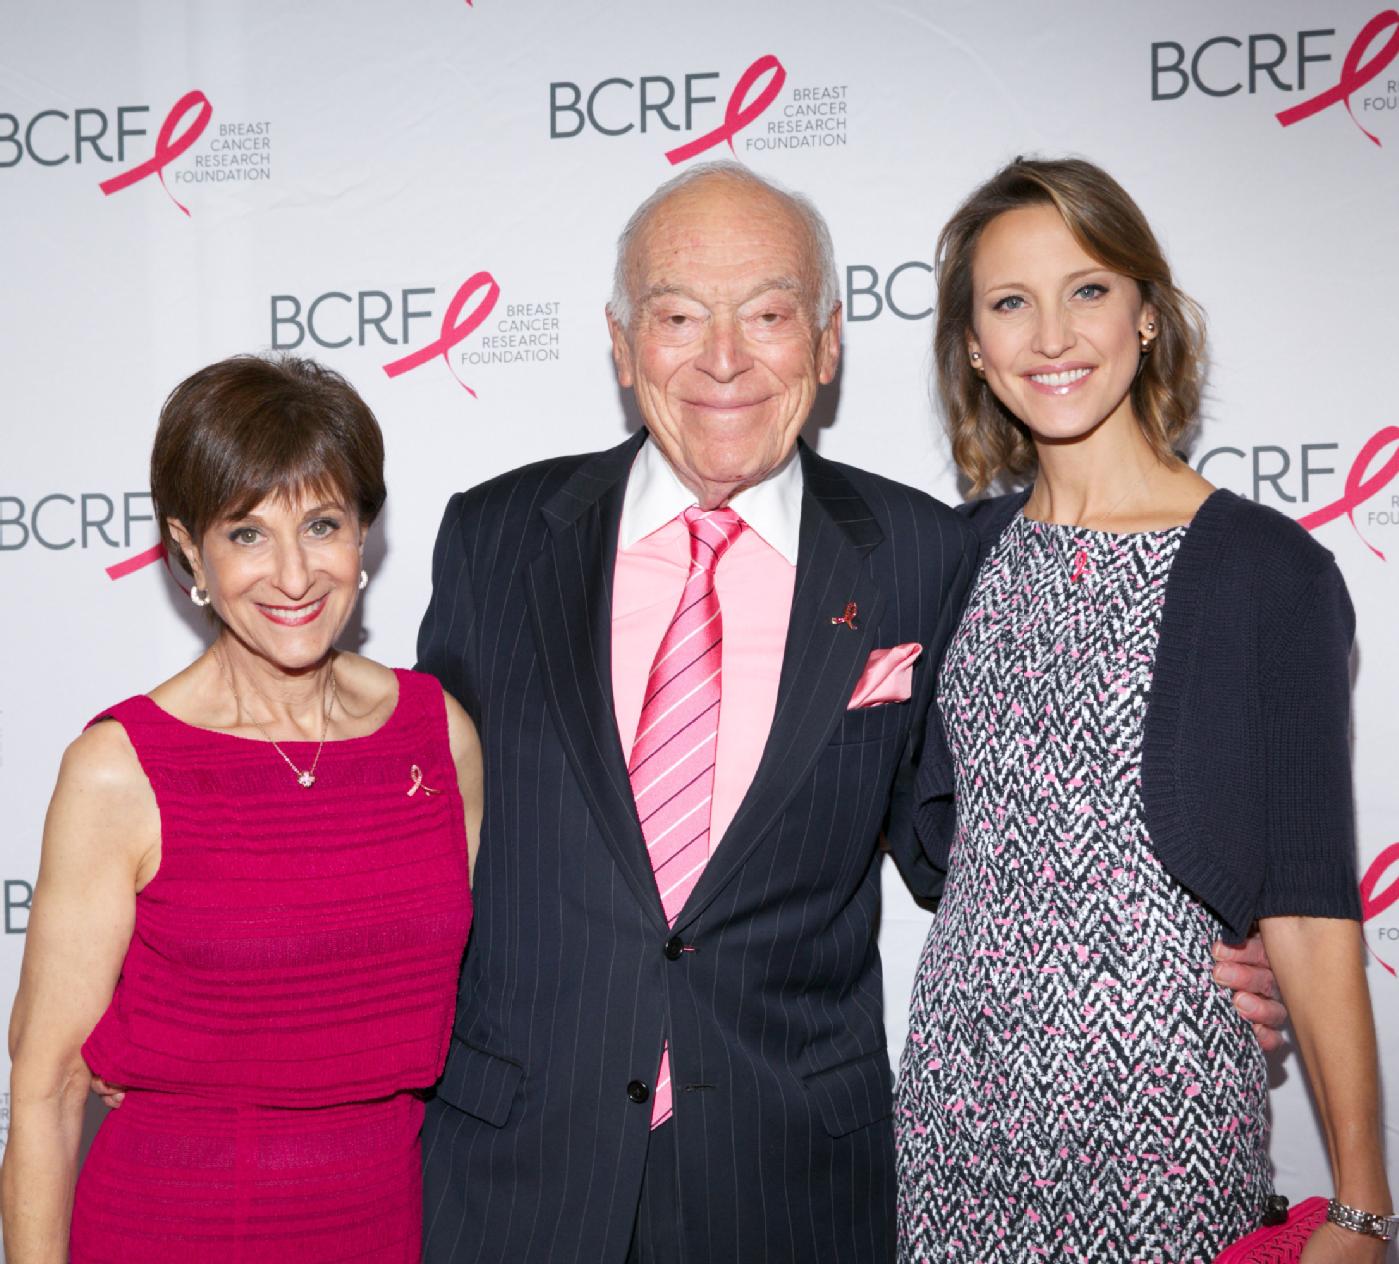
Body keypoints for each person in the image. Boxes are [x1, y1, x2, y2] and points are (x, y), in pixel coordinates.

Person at [414, 161, 1285, 1264]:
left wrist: (1186, 946)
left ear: (827, 344)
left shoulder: (924, 552)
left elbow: (982, 848)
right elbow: (422, 833)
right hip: (516, 1173)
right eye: (678, 315)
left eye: (768, 314)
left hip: (789, 1179)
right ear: (623, 345)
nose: (722, 357)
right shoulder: (494, 537)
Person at [895, 157, 1393, 1262]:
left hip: (1160, 1108)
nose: (1051, 336)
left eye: (1087, 289)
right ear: (973, 348)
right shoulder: (954, 558)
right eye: (1009, 303)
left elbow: (1309, 900)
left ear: (1148, 315)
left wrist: (1361, 1204)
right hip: (954, 1099)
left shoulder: (1267, 570)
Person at [1, 355, 480, 1263]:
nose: (293, 575)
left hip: (393, 1223)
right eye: (247, 534)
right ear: (190, 549)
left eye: (322, 524)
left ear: (364, 534)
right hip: (171, 1226)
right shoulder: (123, 767)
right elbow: (50, 1085)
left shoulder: (437, 735)